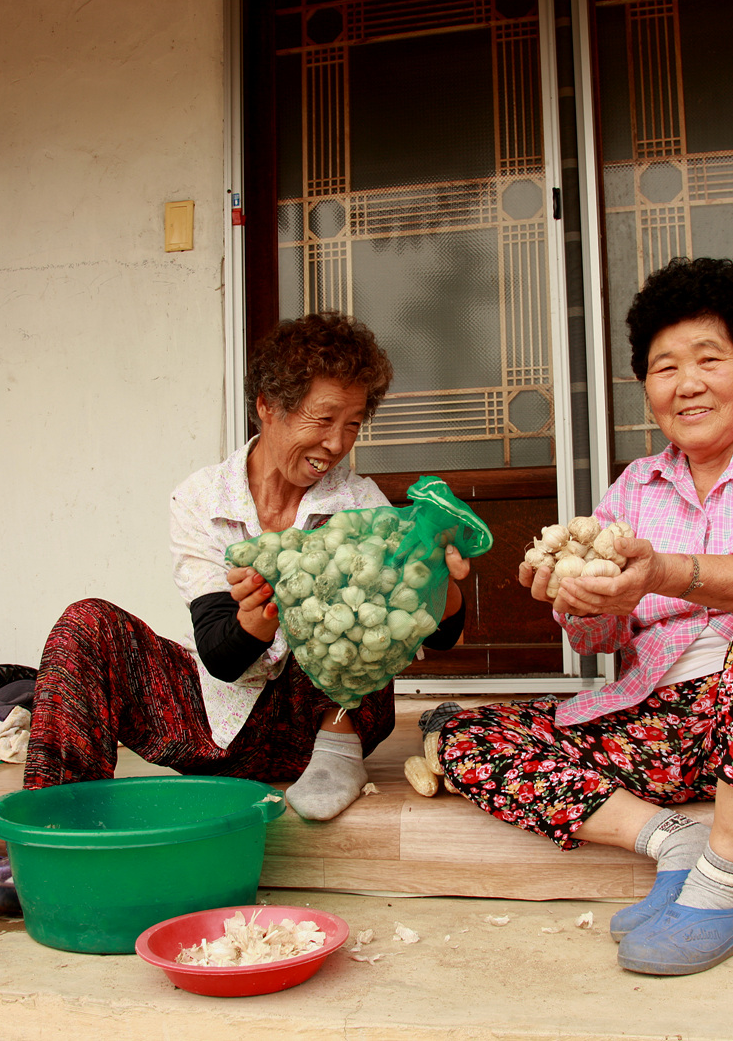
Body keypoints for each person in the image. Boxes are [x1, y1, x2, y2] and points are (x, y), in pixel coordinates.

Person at [434, 257, 733, 975]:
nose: (687, 384)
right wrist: (579, 602)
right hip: (678, 724)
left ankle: (725, 881)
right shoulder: (635, 489)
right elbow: (604, 637)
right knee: (462, 734)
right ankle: (674, 842)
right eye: (664, 367)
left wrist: (670, 573)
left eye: (710, 359)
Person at [24, 312, 471, 821]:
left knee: (353, 603)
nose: (337, 443)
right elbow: (221, 656)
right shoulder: (200, 497)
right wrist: (261, 613)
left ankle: (338, 748)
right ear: (267, 407)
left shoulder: (359, 503)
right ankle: (56, 816)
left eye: (352, 424)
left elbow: (441, 636)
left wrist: (438, 579)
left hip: (319, 727)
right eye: (323, 419)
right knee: (87, 623)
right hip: (214, 723)